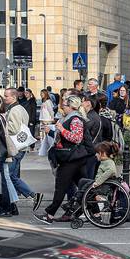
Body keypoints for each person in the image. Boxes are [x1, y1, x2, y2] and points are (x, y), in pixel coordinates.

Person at [37, 95, 92, 223]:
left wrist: (61, 129)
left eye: (65, 105)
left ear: (72, 107)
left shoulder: (75, 119)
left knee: (60, 187)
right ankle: (95, 212)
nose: (62, 107)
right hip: (74, 158)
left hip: (71, 158)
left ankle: (49, 214)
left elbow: (77, 138)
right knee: (84, 186)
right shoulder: (67, 118)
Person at [3, 88, 35, 207]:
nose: (4, 98)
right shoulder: (19, 108)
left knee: (8, 176)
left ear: (13, 97)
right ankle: (26, 196)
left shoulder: (15, 110)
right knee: (12, 176)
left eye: (6, 96)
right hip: (19, 146)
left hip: (15, 146)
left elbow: (14, 128)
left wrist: (2, 125)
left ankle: (31, 195)